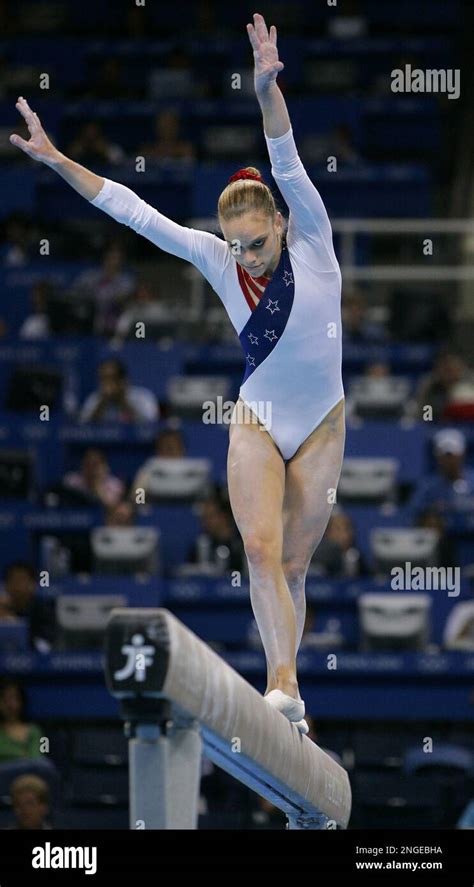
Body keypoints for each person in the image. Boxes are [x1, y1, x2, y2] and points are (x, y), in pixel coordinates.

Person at [9, 14, 346, 735]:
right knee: (256, 547)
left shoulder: (312, 236)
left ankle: (289, 678)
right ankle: (283, 685)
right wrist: (58, 159)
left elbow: (283, 155)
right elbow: (133, 212)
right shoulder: (219, 257)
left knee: (292, 562)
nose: (246, 257)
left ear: (282, 223)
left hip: (323, 423)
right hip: (257, 413)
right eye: (235, 246)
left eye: (255, 243)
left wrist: (265, 88)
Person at [408, 428, 474, 518]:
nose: (449, 460)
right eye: (444, 455)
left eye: (451, 455)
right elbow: (415, 513)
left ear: (462, 454)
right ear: (437, 457)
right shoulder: (428, 486)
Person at [78, 357, 159, 424]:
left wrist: (123, 401)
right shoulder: (95, 398)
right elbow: (82, 427)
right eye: (103, 379)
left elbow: (151, 425)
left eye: (112, 378)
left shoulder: (142, 396)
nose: (108, 384)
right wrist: (103, 402)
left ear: (123, 380)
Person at [0, 562, 56, 652]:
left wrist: (13, 621)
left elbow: (45, 645)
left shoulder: (43, 610)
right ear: (6, 585)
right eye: (13, 580)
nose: (17, 585)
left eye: (22, 580)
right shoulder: (2, 608)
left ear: (33, 584)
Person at [0, 678, 43, 762]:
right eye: (5, 700)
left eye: (15, 699)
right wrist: (21, 754)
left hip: (25, 772)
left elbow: (37, 759)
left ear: (22, 702)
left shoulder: (34, 730)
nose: (10, 705)